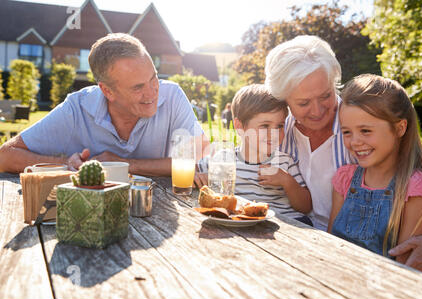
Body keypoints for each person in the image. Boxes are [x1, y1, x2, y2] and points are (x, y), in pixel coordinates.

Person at [264, 35, 422, 274]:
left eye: (325, 96)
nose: (318, 110)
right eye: (303, 103)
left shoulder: (362, 122)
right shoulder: (277, 133)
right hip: (299, 252)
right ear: (284, 100)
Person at [0, 33, 208, 179]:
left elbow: (194, 159)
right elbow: (5, 156)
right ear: (107, 91)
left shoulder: (172, 96)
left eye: (153, 78)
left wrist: (120, 164)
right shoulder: (76, 108)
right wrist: (66, 164)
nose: (153, 92)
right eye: (137, 87)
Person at [327, 74, 422, 271]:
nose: (354, 142)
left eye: (365, 131)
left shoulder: (417, 188)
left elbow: (408, 269)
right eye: (347, 132)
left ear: (399, 128)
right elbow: (330, 246)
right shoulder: (345, 179)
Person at [198, 84, 313, 225]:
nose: (274, 134)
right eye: (265, 126)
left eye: (279, 126)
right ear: (239, 126)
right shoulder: (223, 160)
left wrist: (287, 181)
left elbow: (306, 207)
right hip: (242, 226)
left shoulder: (283, 162)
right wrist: (197, 176)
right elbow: (192, 171)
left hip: (286, 225)